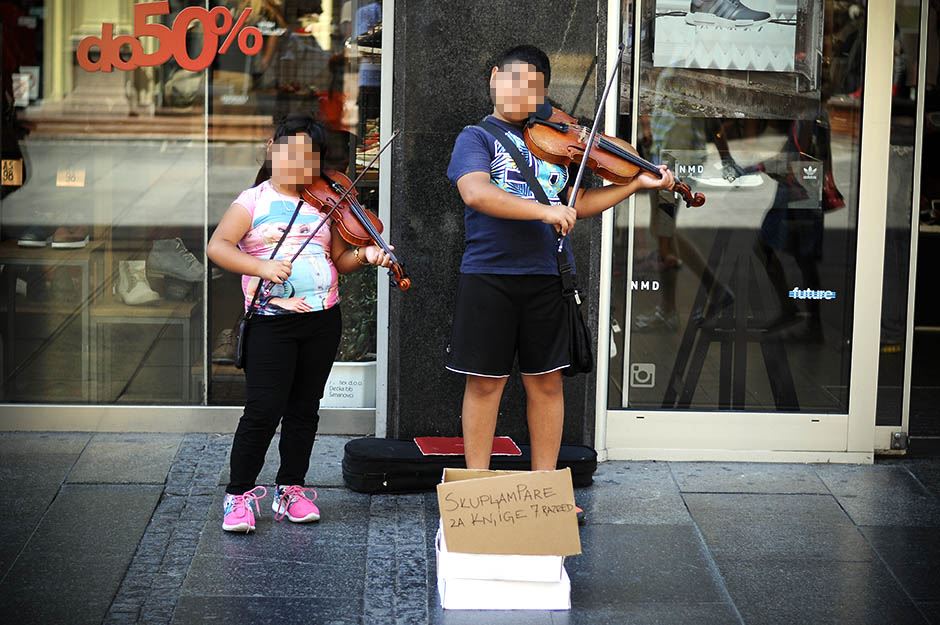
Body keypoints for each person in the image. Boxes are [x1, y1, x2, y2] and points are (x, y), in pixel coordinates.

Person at [445, 45, 675, 477]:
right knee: (484, 384)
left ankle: (547, 490)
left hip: (549, 277)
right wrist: (544, 211)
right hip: (489, 276)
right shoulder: (475, 137)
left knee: (547, 383)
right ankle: (476, 485)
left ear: (544, 94)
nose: (521, 94)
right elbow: (475, 192)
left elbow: (577, 202)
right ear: (495, 77)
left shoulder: (555, 141)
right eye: (513, 81)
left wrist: (635, 183)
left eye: (533, 89)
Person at [207, 114, 393, 533]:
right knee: (262, 410)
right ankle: (238, 495)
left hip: (323, 320)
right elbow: (217, 246)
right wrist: (260, 265)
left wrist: (367, 256)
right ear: (272, 150)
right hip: (271, 323)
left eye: (307, 157)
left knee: (305, 409)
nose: (297, 163)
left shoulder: (326, 201)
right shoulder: (252, 201)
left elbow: (342, 261)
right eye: (289, 152)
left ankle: (291, 488)